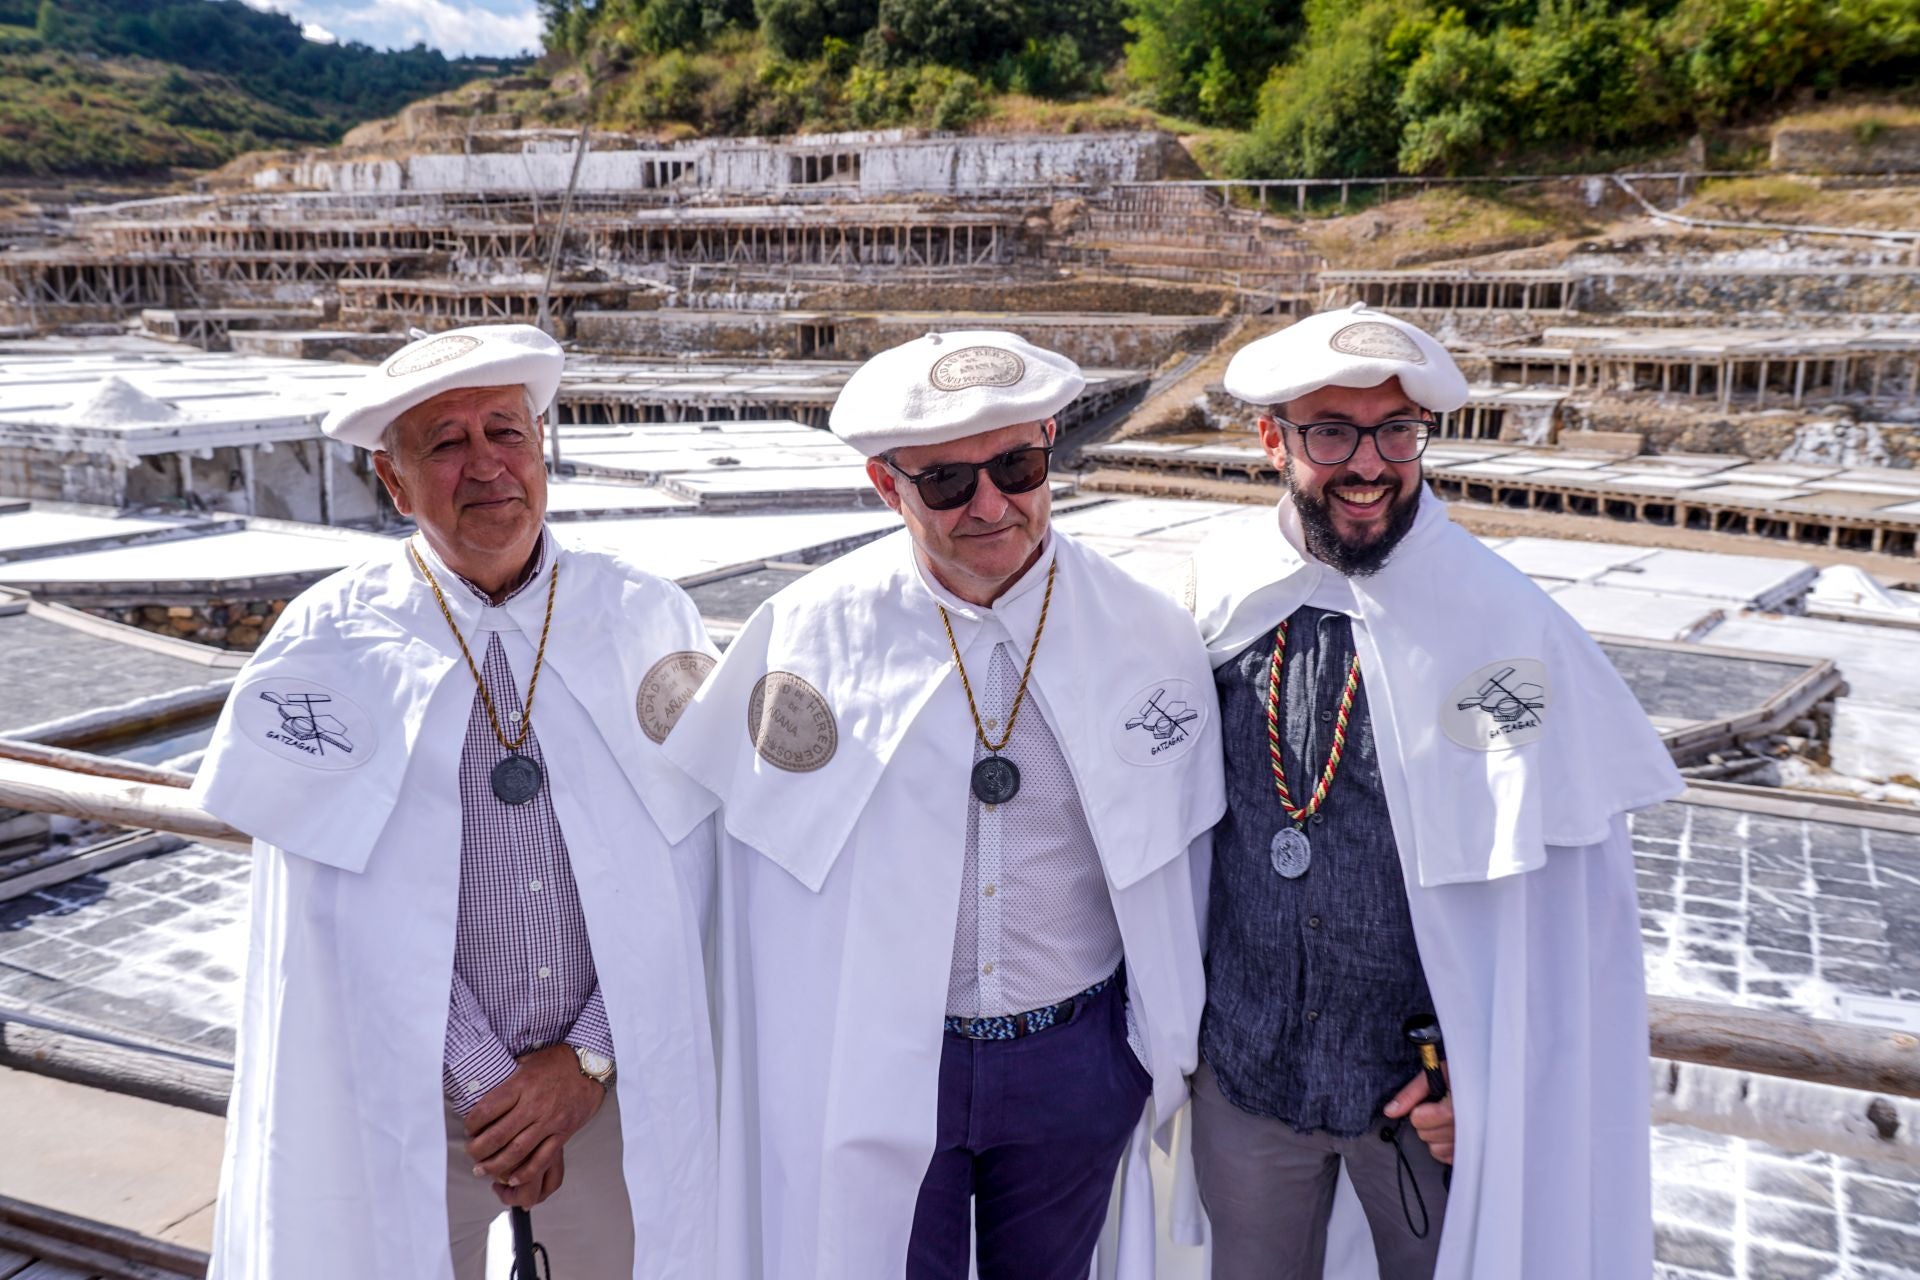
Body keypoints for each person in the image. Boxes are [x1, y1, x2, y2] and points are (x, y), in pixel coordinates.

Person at [664, 330, 1224, 1279]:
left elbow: (1191, 863)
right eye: (948, 483)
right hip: (882, 1061)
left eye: (1018, 464)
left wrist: (1133, 1056)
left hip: (1073, 1061)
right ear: (888, 488)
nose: (993, 504)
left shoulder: (1148, 630)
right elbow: (738, 878)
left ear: (1051, 442)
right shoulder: (806, 634)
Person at [190, 324, 724, 1280]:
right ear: (394, 484)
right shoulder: (331, 644)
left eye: (505, 431)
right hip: (408, 1094)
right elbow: (335, 911)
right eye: (445, 442)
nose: (487, 466)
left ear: (542, 448)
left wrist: (583, 1066)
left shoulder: (643, 614)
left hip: (609, 1091)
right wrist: (491, 1083)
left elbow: (694, 869)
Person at [1176, 303, 1682, 1279]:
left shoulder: (1505, 627)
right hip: (1244, 1083)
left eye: (1397, 430)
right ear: (1271, 438)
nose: (1369, 462)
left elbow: (1565, 913)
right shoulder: (1213, 592)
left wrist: (1492, 1078)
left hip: (1419, 1108)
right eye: (1332, 431)